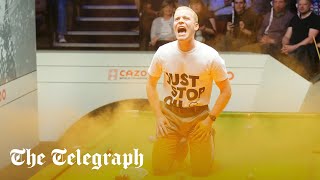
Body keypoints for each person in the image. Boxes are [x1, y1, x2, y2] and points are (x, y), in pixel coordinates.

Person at [146, 6, 232, 176]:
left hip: (198, 117)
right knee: (159, 169)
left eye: (186, 18)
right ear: (174, 26)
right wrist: (159, 116)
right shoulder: (163, 52)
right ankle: (180, 143)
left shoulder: (210, 56)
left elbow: (226, 91)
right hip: (170, 115)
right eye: (177, 19)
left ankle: (205, 138)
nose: (180, 22)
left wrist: (209, 121)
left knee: (201, 172)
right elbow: (150, 84)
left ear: (196, 26)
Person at [281, 0, 320, 79]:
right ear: (297, 5)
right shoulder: (294, 19)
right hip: (292, 47)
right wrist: (285, 46)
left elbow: (310, 39)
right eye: (300, 4)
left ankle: (304, 76)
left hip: (308, 49)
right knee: (270, 47)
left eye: (305, 4)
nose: (301, 7)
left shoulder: (315, 19)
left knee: (302, 49)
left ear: (310, 6)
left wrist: (292, 48)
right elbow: (287, 36)